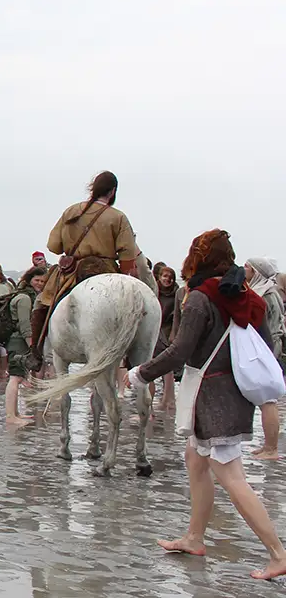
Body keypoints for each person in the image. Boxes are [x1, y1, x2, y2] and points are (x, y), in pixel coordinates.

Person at [128, 229, 286, 581]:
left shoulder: (201, 297)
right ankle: (194, 538)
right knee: (195, 460)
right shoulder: (242, 293)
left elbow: (180, 351)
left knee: (231, 476)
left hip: (213, 396)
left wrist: (140, 373)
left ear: (199, 257)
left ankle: (278, 554)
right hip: (232, 391)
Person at [30, 171, 141, 371]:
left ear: (93, 188)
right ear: (112, 191)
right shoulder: (118, 217)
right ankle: (133, 356)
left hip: (72, 273)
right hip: (106, 270)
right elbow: (127, 256)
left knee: (41, 303)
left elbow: (54, 246)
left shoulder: (71, 211)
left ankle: (35, 352)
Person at [246, 257, 285, 460]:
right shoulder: (268, 291)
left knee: (268, 400)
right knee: (266, 400)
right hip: (268, 347)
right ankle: (268, 446)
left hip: (268, 348)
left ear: (256, 271)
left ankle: (271, 448)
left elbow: (268, 327)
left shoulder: (267, 294)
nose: (243, 270)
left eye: (247, 267)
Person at [4, 267, 46, 424]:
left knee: (19, 376)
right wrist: (31, 347)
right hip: (18, 342)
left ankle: (16, 413)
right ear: (29, 280)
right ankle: (11, 416)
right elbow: (24, 325)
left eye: (42, 281)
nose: (40, 283)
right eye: (36, 280)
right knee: (15, 378)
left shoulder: (25, 295)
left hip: (18, 341)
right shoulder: (24, 298)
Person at [151, 266, 180, 415]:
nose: (167, 279)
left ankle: (168, 400)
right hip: (155, 329)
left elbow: (177, 316)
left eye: (170, 277)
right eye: (165, 276)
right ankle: (158, 402)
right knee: (151, 364)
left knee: (168, 368)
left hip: (168, 330)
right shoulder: (153, 291)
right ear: (159, 277)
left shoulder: (176, 293)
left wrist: (174, 334)